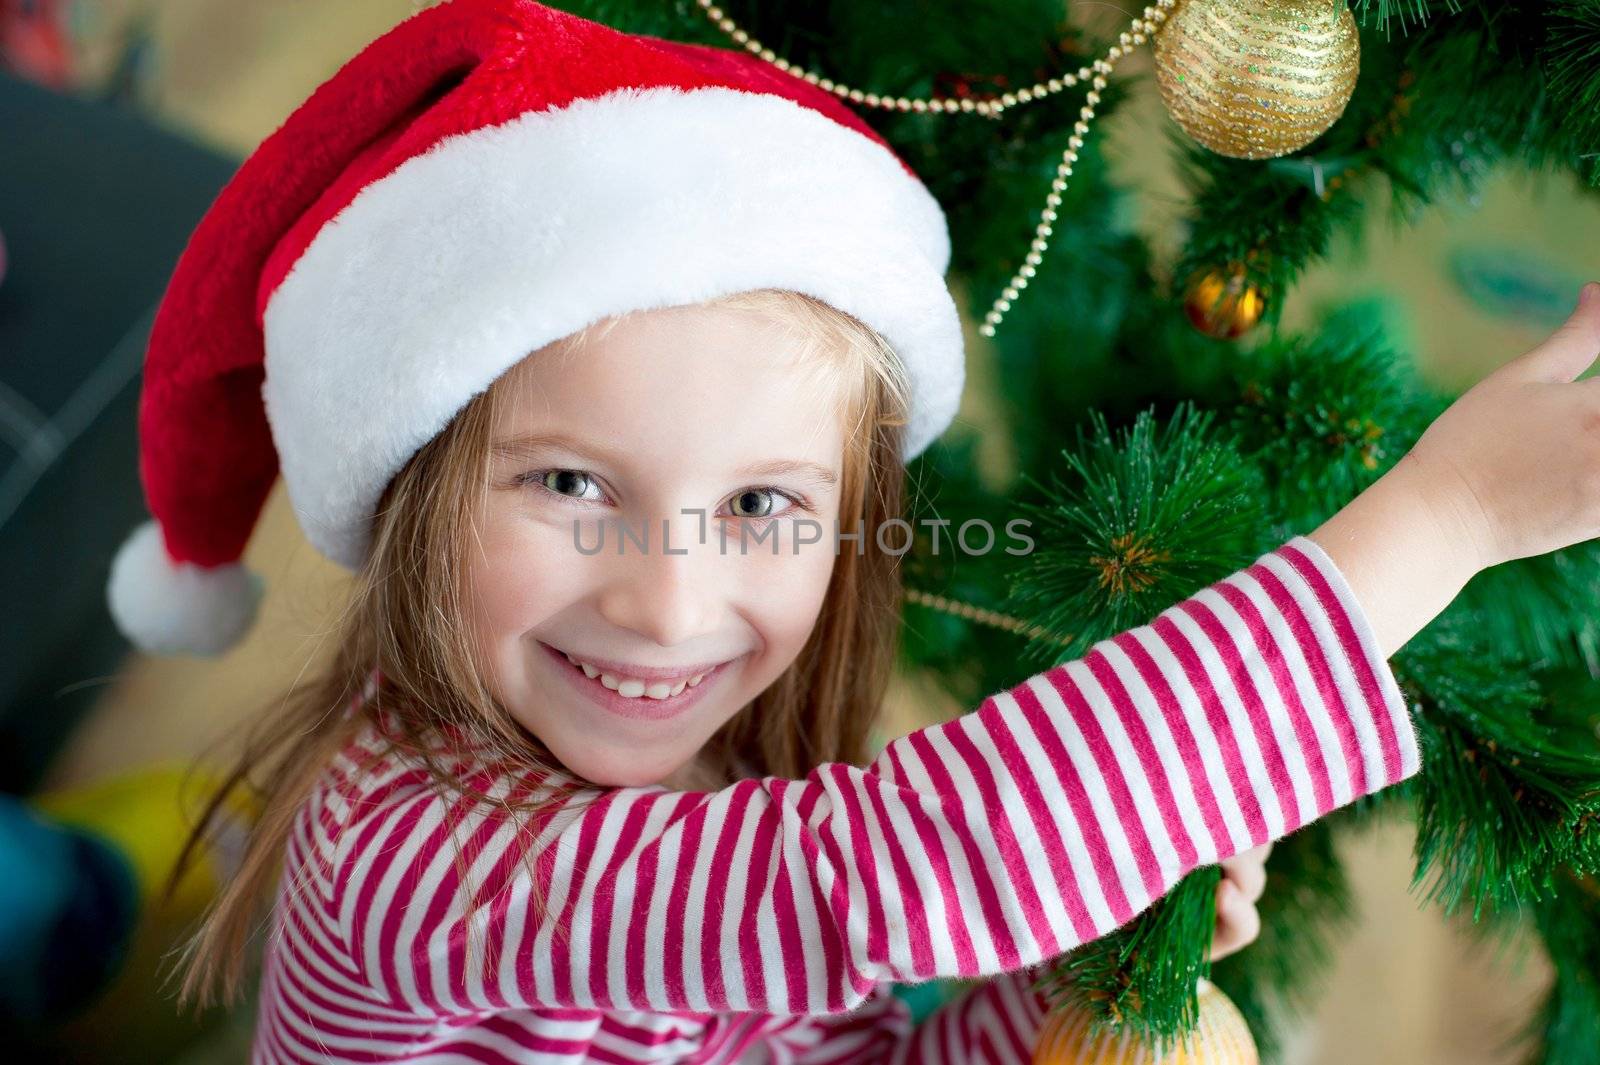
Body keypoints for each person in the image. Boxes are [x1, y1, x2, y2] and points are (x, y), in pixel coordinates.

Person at [99, 1, 1600, 1061]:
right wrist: (1446, 514)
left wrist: (1056, 991)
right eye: (569, 486)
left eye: (763, 506)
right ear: (418, 489)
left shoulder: (708, 752)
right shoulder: (421, 859)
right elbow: (873, 873)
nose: (671, 603)